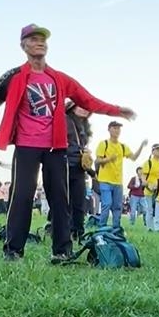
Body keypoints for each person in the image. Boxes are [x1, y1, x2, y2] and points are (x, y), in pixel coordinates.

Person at [0, 24, 135, 262]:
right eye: (34, 39)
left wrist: (116, 110)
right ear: (23, 45)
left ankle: (62, 250)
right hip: (27, 145)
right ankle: (13, 250)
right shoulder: (14, 76)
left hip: (56, 147)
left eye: (43, 39)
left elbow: (87, 99)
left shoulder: (59, 78)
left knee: (59, 196)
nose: (40, 43)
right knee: (21, 196)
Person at [97, 122, 147, 228]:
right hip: (105, 180)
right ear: (109, 129)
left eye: (119, 129)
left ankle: (116, 229)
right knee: (106, 204)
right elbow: (98, 160)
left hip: (118, 182)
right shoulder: (104, 144)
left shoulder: (122, 146)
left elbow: (133, 157)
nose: (117, 130)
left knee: (117, 207)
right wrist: (109, 159)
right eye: (114, 128)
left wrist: (141, 146)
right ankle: (102, 228)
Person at [64, 100, 95, 241]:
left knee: (79, 202)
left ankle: (78, 232)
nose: (85, 110)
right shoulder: (65, 120)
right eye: (81, 106)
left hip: (78, 167)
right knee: (65, 201)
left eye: (87, 108)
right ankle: (64, 231)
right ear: (72, 107)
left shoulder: (83, 125)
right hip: (65, 164)